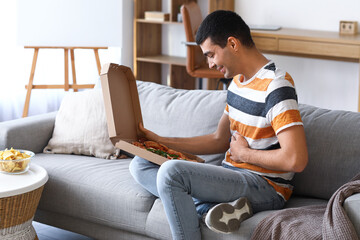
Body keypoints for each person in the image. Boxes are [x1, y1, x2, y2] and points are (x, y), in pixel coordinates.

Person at [129, 10, 308, 240]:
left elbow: (296, 159)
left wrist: (245, 154)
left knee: (171, 174)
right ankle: (208, 210)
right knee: (141, 163)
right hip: (231, 176)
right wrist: (159, 141)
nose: (210, 64)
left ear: (232, 43)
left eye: (211, 54)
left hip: (266, 186)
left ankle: (205, 209)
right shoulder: (235, 84)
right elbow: (218, 139)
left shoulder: (276, 85)